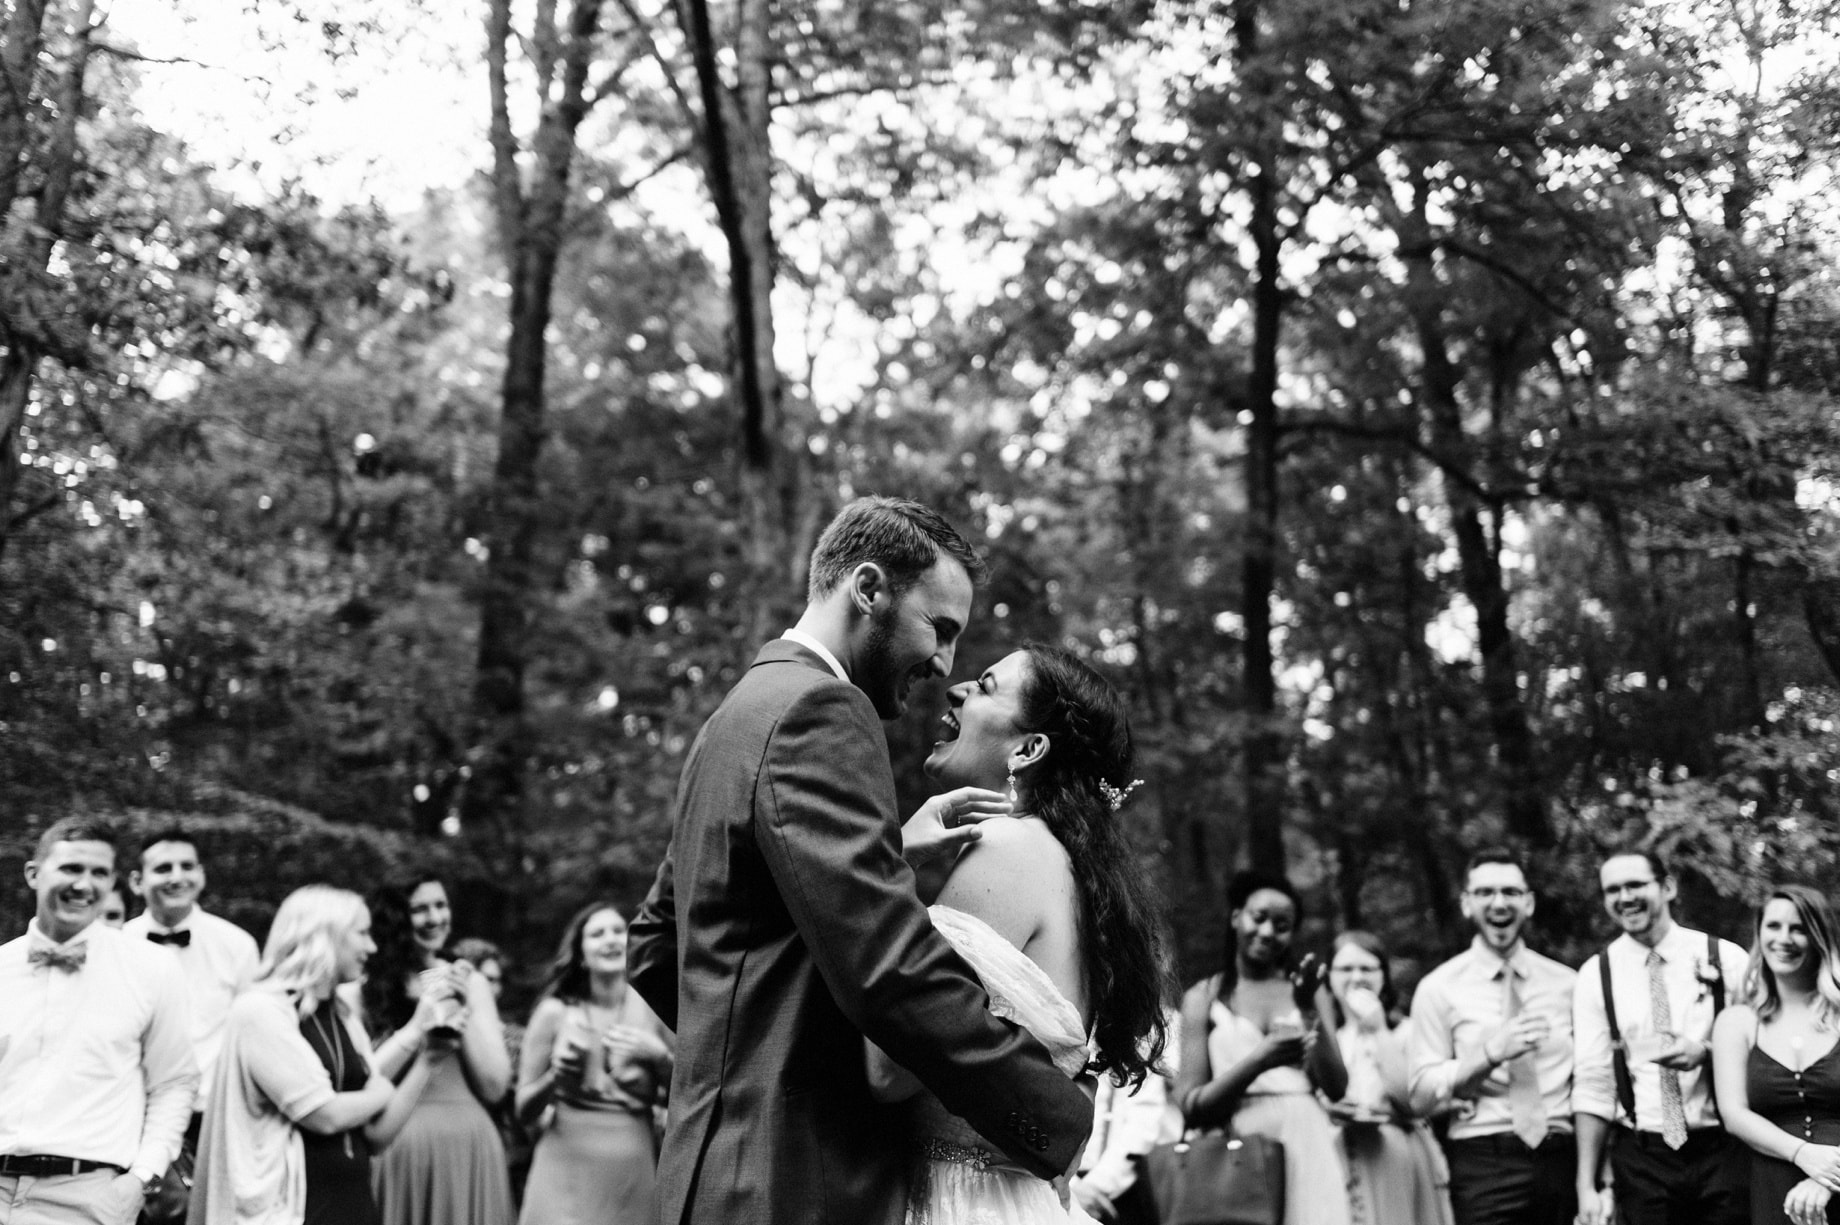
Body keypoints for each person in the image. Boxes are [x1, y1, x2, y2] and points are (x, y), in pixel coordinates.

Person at [627, 495, 1096, 1225]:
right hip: (796, 1182)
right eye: (939, 630)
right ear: (869, 589)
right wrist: (1058, 1119)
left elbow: (661, 945)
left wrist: (740, 1066)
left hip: (712, 1179)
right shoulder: (824, 712)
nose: (943, 665)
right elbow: (893, 975)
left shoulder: (737, 714)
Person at [868, 644, 1171, 1224]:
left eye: (983, 686)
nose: (956, 689)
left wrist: (889, 868)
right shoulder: (1075, 870)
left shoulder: (1005, 850)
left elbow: (887, 1071)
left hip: (960, 1201)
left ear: (1029, 749)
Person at [188, 886, 436, 1225]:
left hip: (354, 1203)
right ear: (325, 935)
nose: (372, 947)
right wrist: (382, 1092)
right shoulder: (260, 1011)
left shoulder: (342, 1012)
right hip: (291, 1210)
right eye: (362, 934)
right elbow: (325, 1114)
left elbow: (376, 1137)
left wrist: (428, 1057)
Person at [0, 816, 198, 1225]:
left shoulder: (151, 970)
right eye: (72, 868)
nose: (84, 885)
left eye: (99, 873)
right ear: (34, 874)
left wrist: (139, 1181)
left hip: (89, 1200)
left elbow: (174, 1083)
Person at [1572, 849, 1748, 1225]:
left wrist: (1707, 1052)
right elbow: (1593, 1083)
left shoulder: (1727, 959)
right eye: (1612, 890)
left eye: (1635, 885)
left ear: (1667, 886)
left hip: (1724, 1148)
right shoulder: (1596, 974)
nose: (1624, 898)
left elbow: (1764, 1051)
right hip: (1642, 1155)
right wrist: (1587, 1184)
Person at [1407, 847, 1577, 1225]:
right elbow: (1419, 1094)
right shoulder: (1438, 988)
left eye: (1511, 892)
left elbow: (1593, 1079)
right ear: (1467, 904)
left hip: (1563, 1158)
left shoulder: (1569, 984)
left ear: (1529, 903)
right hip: (1484, 1162)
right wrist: (1489, 1054)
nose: (1499, 903)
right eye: (1485, 893)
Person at [1175, 872, 1352, 1225]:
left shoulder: (1309, 992)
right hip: (1241, 1148)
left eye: (1282, 925)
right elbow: (1191, 1106)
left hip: (1308, 1141)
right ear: (1236, 917)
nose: (1268, 932)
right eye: (1259, 918)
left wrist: (1308, 1010)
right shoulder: (1203, 997)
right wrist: (1259, 1061)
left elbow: (1336, 1086)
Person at [125, 828, 261, 1223]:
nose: (176, 876)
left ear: (201, 875)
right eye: (163, 867)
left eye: (187, 866)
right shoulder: (119, 945)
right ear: (138, 880)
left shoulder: (237, 946)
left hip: (216, 1118)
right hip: (139, 1118)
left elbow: (255, 1041)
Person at [364, 878, 513, 1225]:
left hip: (468, 1146)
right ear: (396, 918)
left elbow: (495, 1086)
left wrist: (465, 1005)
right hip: (396, 1144)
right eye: (419, 909)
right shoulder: (364, 987)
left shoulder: (470, 981)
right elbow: (359, 1079)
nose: (435, 918)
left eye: (440, 906)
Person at [515, 903, 672, 1225]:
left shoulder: (654, 1009)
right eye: (597, 933)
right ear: (581, 954)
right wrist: (555, 1078)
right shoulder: (553, 1013)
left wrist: (662, 1058)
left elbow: (693, 1091)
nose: (611, 939)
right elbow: (523, 1111)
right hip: (562, 1173)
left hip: (632, 1175)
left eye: (618, 931)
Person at [1710, 885, 1840, 1225]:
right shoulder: (1736, 1021)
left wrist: (1828, 1178)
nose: (1784, 939)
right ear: (1759, 934)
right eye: (1774, 926)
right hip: (1773, 1189)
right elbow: (1734, 1114)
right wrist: (1804, 1155)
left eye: (1798, 929)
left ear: (1819, 937)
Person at [1326, 930, 1454, 1225]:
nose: (1357, 977)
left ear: (1383, 976)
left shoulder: (1406, 1031)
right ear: (1330, 977)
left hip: (1397, 1158)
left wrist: (1377, 1029)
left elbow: (1409, 1100)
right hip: (1340, 1157)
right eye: (1346, 969)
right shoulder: (1327, 1039)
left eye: (1367, 968)